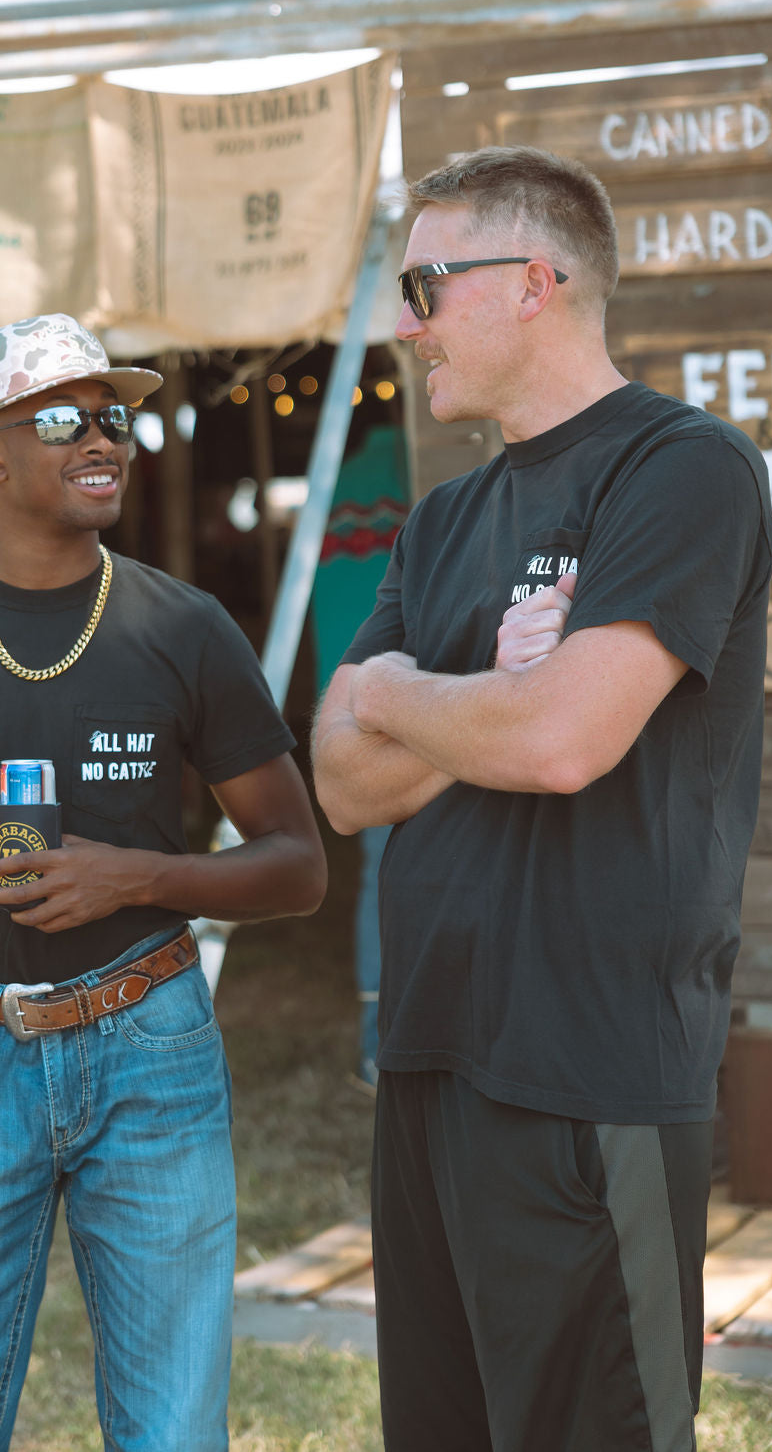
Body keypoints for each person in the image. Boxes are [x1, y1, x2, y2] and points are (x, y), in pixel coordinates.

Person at [311, 148, 772, 1452]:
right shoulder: (442, 518)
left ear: (534, 281)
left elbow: (568, 735)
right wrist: (471, 699)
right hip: (431, 1060)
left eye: (426, 285)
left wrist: (400, 688)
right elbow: (341, 782)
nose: (407, 325)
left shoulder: (683, 470)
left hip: (593, 1072)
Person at [0, 312, 327, 1452]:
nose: (105, 438)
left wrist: (138, 875)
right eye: (63, 416)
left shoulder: (182, 626)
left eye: (114, 414)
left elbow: (298, 864)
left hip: (152, 1044)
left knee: (170, 1429)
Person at [309, 422, 410, 1089]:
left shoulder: (335, 487)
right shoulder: (424, 474)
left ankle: (378, 1047)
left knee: (380, 870)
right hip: (422, 688)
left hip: (344, 696)